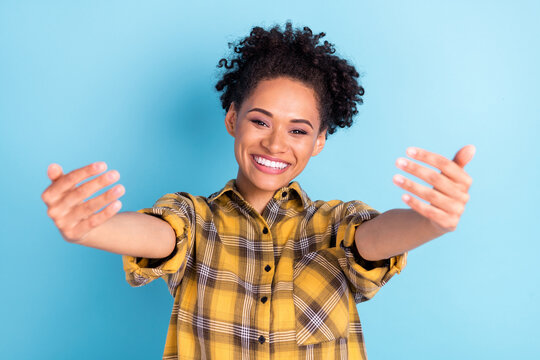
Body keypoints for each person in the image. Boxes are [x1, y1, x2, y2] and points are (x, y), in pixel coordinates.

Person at [41, 22, 475, 359]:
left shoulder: (333, 223)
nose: (275, 143)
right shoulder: (194, 218)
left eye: (298, 130)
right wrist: (90, 228)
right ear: (233, 119)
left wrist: (429, 220)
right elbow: (159, 235)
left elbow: (374, 238)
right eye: (260, 121)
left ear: (319, 141)